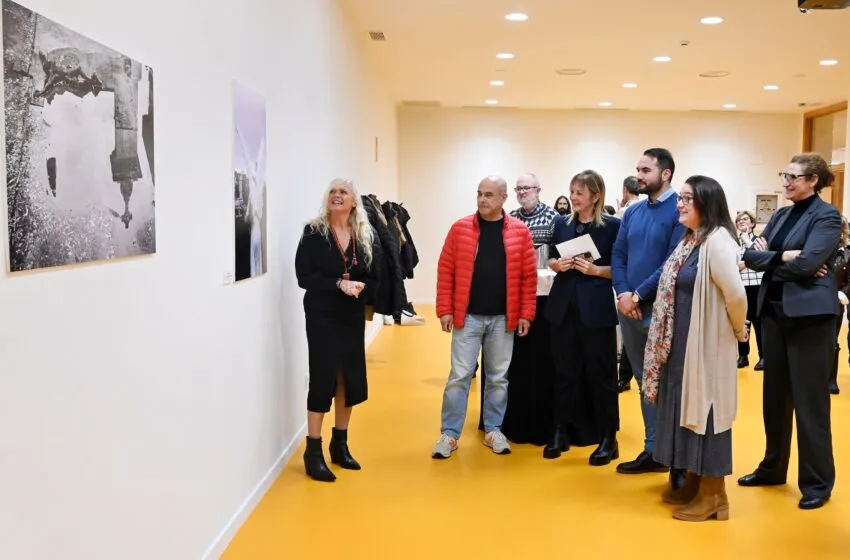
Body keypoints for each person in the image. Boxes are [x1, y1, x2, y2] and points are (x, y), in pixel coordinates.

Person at [738, 152, 841, 510]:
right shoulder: (781, 215)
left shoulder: (827, 215)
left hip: (810, 318)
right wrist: (785, 257)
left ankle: (817, 483)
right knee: (775, 400)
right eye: (785, 174)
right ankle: (772, 468)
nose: (785, 181)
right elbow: (750, 257)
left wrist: (777, 260)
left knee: (810, 405)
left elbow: (810, 263)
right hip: (774, 315)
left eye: (793, 176)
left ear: (813, 180)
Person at [643, 176, 748, 522]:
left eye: (688, 198)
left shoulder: (717, 242)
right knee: (686, 411)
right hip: (682, 345)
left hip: (706, 346)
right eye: (681, 198)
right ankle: (694, 480)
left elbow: (736, 296)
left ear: (707, 202)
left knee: (708, 414)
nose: (680, 204)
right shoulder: (692, 239)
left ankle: (715, 495)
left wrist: (739, 331)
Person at [432, 175, 537, 458]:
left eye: (489, 195)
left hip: (503, 319)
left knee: (498, 378)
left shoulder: (520, 232)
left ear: (504, 198)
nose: (482, 199)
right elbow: (446, 270)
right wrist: (445, 309)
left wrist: (526, 313)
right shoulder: (460, 229)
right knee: (459, 376)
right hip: (467, 317)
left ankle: (493, 430)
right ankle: (449, 434)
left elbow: (528, 277)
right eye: (479, 193)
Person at [294, 178, 381, 482]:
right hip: (322, 313)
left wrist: (361, 287)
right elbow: (304, 276)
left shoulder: (363, 235)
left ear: (354, 201)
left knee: (349, 377)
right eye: (333, 191)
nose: (337, 195)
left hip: (351, 314)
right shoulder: (313, 233)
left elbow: (374, 276)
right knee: (323, 376)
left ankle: (339, 444)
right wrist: (337, 284)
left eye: (343, 192)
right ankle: (313, 451)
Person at [612, 148, 686, 478]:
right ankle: (653, 449)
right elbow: (618, 254)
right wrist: (623, 293)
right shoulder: (633, 212)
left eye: (645, 170)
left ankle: (675, 453)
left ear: (665, 174)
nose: (638, 176)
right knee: (644, 381)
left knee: (666, 382)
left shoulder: (680, 210)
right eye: (638, 170)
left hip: (659, 310)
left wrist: (638, 295)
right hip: (629, 309)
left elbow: (672, 262)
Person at [544, 170, 621, 465]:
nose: (573, 197)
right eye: (572, 191)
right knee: (563, 373)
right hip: (563, 308)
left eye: (579, 192)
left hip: (595, 311)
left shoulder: (612, 226)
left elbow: (621, 268)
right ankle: (559, 431)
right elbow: (551, 257)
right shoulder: (561, 224)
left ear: (595, 195)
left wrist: (596, 270)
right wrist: (557, 265)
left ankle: (608, 438)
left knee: (602, 376)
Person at [616, 176, 641, 392]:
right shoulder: (640, 211)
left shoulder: (624, 213)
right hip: (636, 286)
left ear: (625, 190)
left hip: (628, 285)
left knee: (630, 337)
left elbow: (618, 252)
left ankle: (624, 376)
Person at [735, 210, 764, 370]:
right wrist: (749, 262)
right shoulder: (733, 243)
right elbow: (732, 265)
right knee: (742, 322)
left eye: (745, 219)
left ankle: (763, 356)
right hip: (741, 288)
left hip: (758, 287)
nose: (742, 221)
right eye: (739, 220)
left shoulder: (759, 240)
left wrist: (746, 260)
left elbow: (762, 259)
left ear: (752, 223)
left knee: (759, 323)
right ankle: (743, 356)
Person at [511, 173, 559, 247]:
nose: (521, 192)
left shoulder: (552, 216)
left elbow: (559, 251)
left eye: (526, 188)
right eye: (518, 188)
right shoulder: (511, 217)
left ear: (538, 191)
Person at [833, 217, 850, 394]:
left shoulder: (847, 254)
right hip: (815, 301)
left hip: (836, 302)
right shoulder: (819, 251)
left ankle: (831, 379)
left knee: (832, 340)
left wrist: (843, 293)